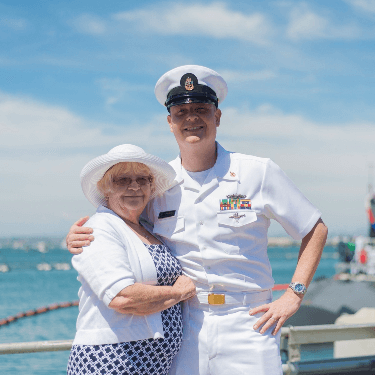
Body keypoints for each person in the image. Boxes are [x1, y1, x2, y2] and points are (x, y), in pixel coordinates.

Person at [66, 65, 328, 375]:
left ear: (217, 117)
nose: (191, 118)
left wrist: (294, 294)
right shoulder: (160, 185)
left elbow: (314, 228)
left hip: (248, 322)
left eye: (201, 109)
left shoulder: (257, 172)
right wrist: (77, 235)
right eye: (181, 111)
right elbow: (123, 221)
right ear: (170, 122)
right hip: (185, 326)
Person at [66, 144, 196, 375]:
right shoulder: (99, 228)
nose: (134, 186)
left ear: (151, 186)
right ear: (106, 189)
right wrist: (178, 293)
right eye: (122, 180)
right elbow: (122, 297)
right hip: (111, 360)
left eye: (142, 179)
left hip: (150, 363)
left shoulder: (147, 227)